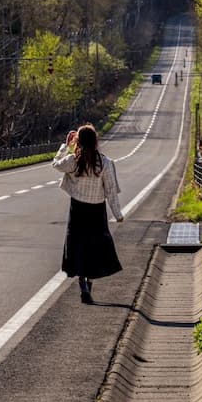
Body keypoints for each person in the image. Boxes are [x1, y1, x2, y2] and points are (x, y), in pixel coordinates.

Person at [52, 123, 124, 303]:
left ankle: (82, 283)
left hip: (77, 209)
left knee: (78, 246)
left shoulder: (73, 160)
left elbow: (55, 165)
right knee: (95, 247)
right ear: (95, 141)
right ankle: (89, 285)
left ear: (78, 141)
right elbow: (111, 191)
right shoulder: (105, 163)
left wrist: (65, 147)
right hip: (97, 211)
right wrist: (117, 214)